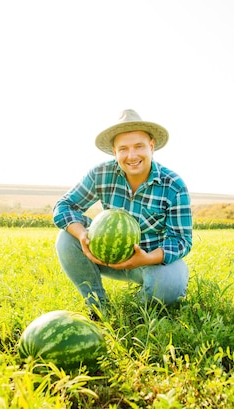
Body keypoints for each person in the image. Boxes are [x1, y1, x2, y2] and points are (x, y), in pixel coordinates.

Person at [53, 109, 193, 318]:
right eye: (123, 149)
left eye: (139, 146)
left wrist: (145, 259)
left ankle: (136, 310)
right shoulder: (100, 174)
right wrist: (83, 235)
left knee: (170, 285)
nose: (132, 155)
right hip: (105, 256)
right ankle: (98, 308)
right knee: (66, 239)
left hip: (150, 261)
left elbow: (181, 240)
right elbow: (64, 207)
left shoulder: (173, 185)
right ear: (114, 151)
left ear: (151, 146)